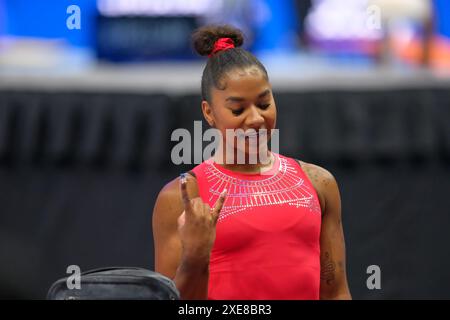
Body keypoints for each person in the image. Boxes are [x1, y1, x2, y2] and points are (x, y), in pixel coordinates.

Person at [152, 25, 351, 300]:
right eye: (238, 109)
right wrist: (195, 257)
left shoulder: (319, 183)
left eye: (264, 103)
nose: (256, 118)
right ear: (209, 113)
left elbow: (336, 291)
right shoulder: (182, 197)